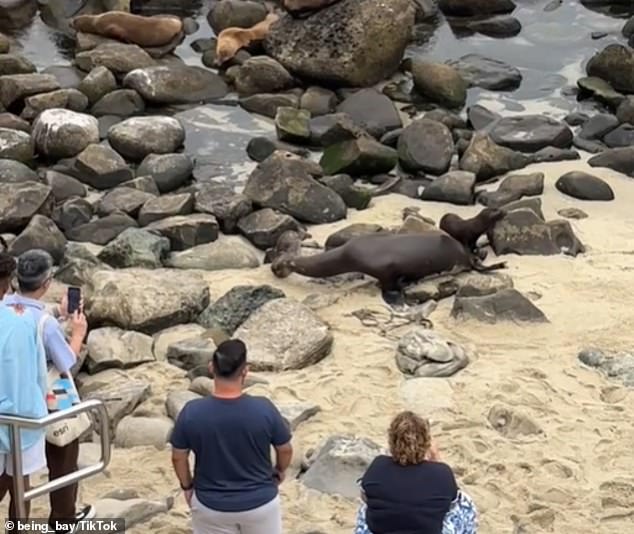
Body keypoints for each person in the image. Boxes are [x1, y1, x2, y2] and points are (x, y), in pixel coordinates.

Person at [1, 249, 94, 528]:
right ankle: (63, 515)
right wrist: (77, 334)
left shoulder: (9, 305)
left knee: (16, 470)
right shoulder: (44, 322)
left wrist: (58, 312)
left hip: (13, 389)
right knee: (66, 444)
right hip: (52, 387)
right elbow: (67, 359)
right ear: (47, 283)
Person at [170, 339, 294, 534]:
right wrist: (279, 470)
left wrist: (187, 486)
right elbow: (285, 448)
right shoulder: (264, 409)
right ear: (245, 371)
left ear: (211, 368)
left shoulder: (192, 412)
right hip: (260, 503)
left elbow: (179, 456)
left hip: (211, 505)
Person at [355, 411, 478, 534]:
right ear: (426, 443)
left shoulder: (378, 466)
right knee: (465, 504)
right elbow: (451, 501)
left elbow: (365, 496)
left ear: (391, 441)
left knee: (366, 508)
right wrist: (436, 459)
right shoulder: (441, 474)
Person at [0, 241, 47, 520]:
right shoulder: (25, 321)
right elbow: (38, 374)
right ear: (7, 286)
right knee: (21, 487)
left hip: (13, 416)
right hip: (23, 416)